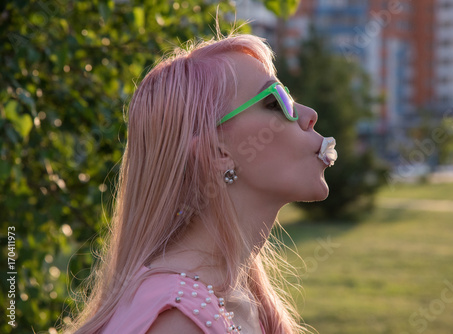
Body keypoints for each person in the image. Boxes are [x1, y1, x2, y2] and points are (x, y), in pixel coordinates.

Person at [65, 31, 336, 334]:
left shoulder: (243, 298)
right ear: (218, 153)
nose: (309, 115)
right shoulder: (176, 322)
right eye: (277, 102)